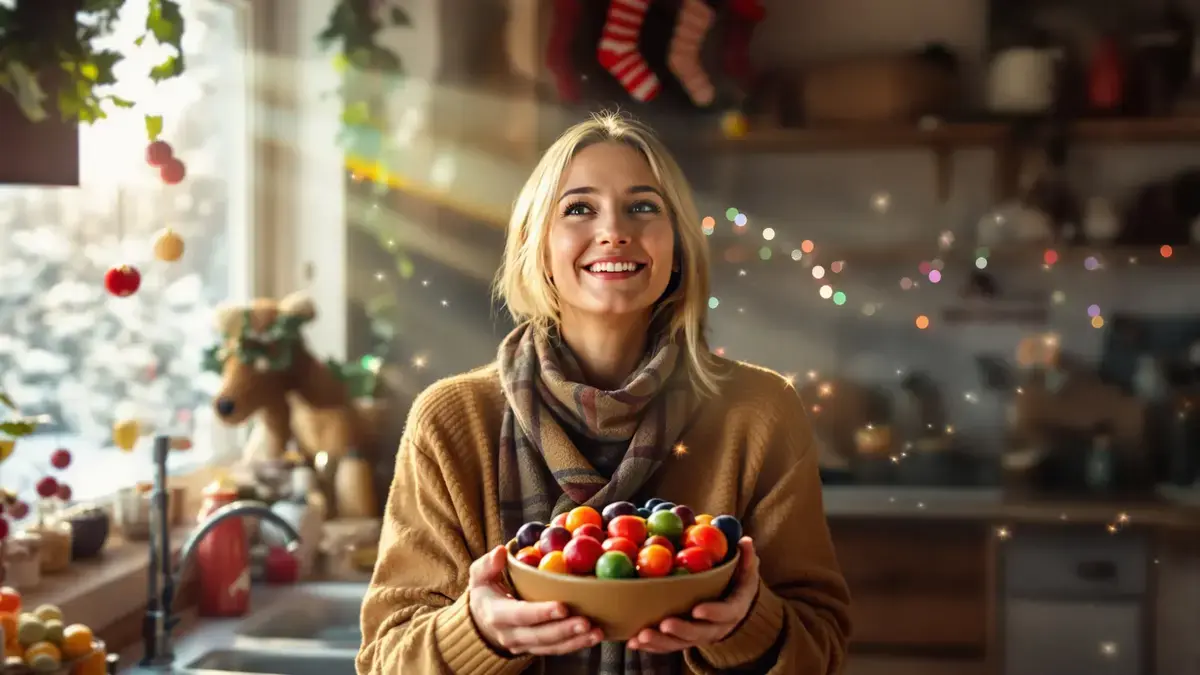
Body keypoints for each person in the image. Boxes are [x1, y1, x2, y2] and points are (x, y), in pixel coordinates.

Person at [356, 112, 852, 675]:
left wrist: (746, 627)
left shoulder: (761, 412)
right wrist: (479, 631)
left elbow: (822, 647)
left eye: (643, 206)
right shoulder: (451, 421)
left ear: (678, 247)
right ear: (536, 247)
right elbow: (385, 661)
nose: (614, 231)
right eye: (578, 209)